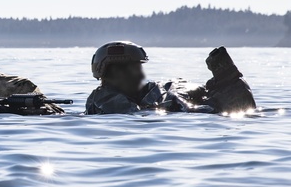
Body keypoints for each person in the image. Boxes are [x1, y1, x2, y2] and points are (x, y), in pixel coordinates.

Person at [85, 41, 257, 115]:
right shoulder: (105, 99)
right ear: (115, 73)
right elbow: (133, 114)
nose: (141, 75)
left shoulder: (146, 92)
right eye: (135, 69)